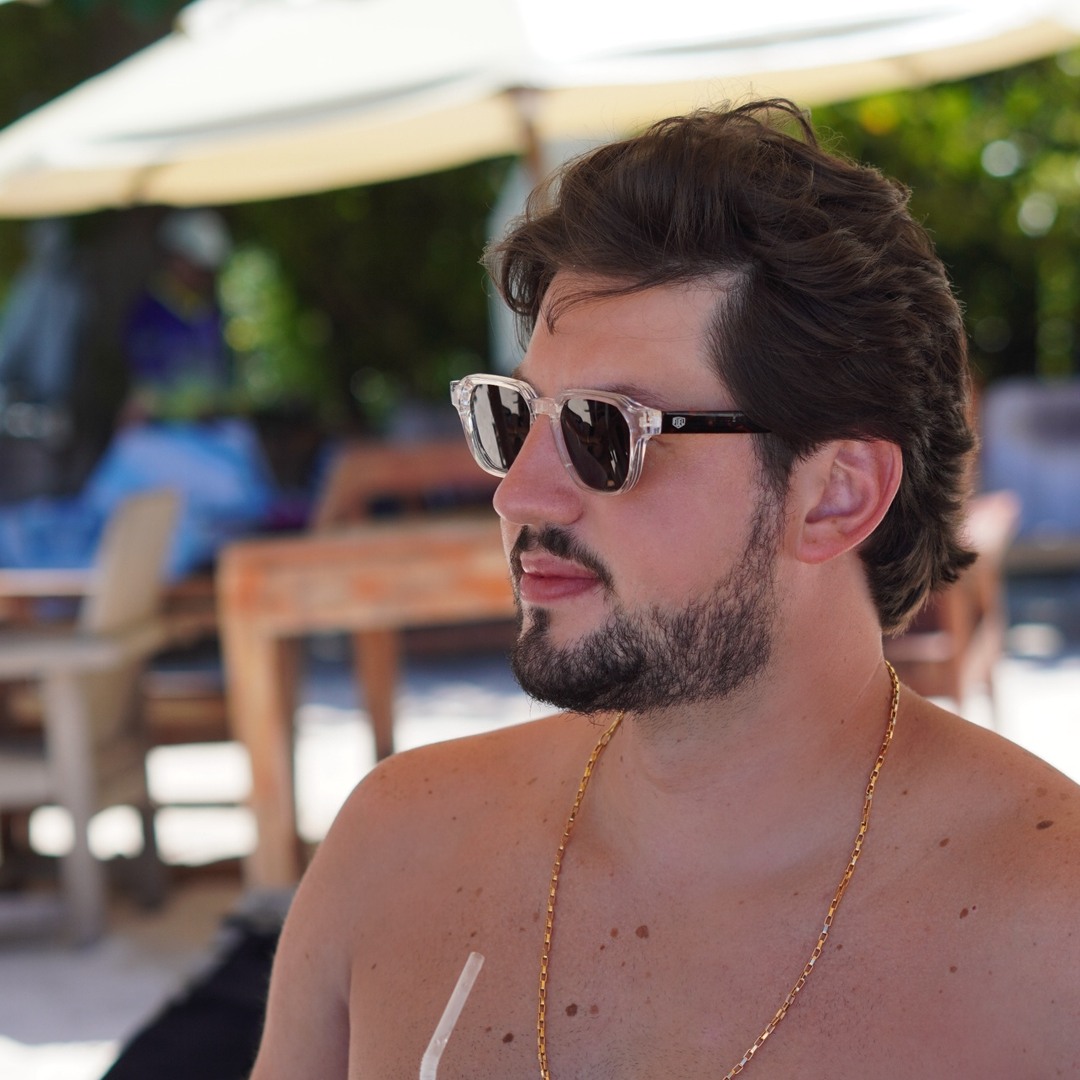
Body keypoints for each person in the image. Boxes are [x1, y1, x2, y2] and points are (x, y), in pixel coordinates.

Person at [250, 100, 1080, 1078]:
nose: (520, 493)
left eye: (605, 431)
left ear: (836, 496)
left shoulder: (1049, 939)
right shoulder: (398, 845)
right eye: (514, 418)